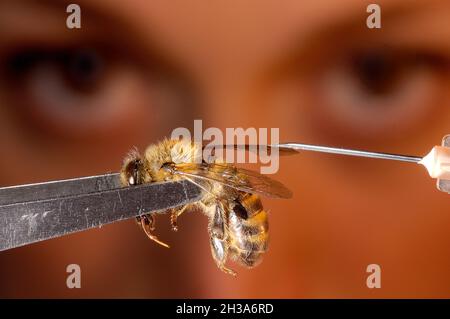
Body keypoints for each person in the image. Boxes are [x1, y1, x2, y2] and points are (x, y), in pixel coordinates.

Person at [0, 0, 449, 298]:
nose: (212, 293)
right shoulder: (181, 170)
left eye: (377, 73)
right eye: (83, 73)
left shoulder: (190, 175)